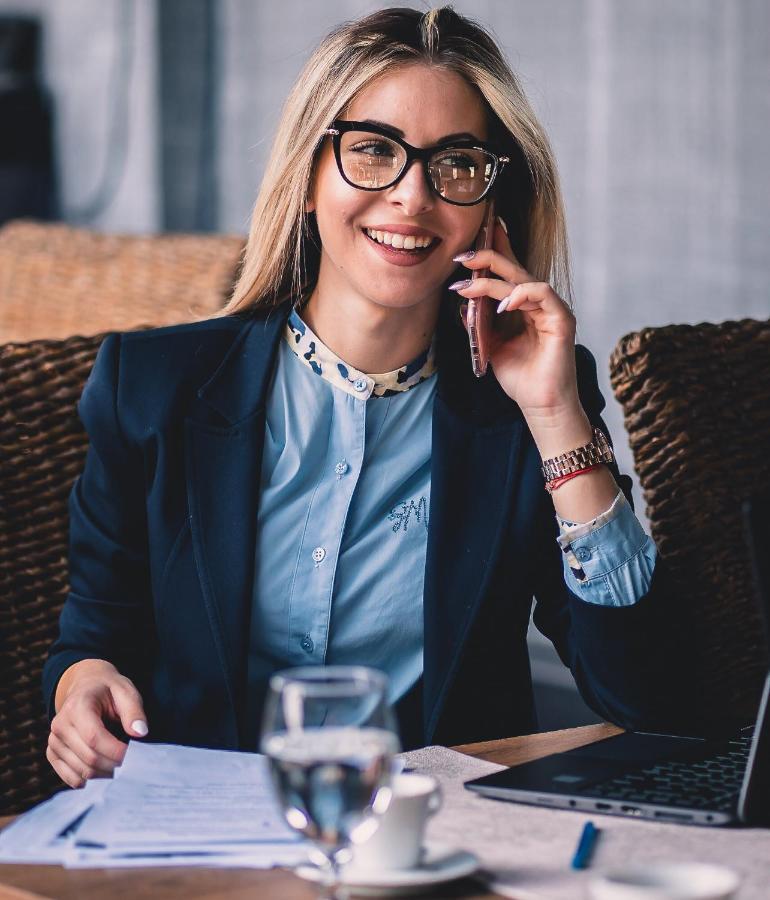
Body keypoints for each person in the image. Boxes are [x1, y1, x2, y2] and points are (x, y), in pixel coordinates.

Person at [43, 6, 688, 789]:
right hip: (202, 834)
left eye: (456, 163)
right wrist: (81, 685)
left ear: (491, 204)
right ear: (307, 179)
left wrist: (555, 418)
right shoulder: (149, 386)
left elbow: (652, 700)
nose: (412, 197)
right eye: (374, 151)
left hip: (432, 841)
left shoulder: (534, 399)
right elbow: (96, 630)